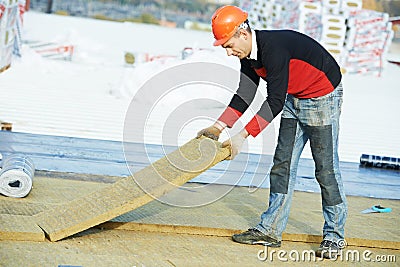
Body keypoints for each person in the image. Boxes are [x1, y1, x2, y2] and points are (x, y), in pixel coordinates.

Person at [196, 5, 348, 258]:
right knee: (282, 164)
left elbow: (274, 102)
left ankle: (334, 237)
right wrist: (218, 126)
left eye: (229, 45)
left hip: (322, 98)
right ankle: (270, 230)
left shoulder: (274, 48)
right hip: (293, 96)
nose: (229, 52)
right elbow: (245, 93)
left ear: (243, 33)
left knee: (326, 169)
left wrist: (243, 136)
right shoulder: (248, 56)